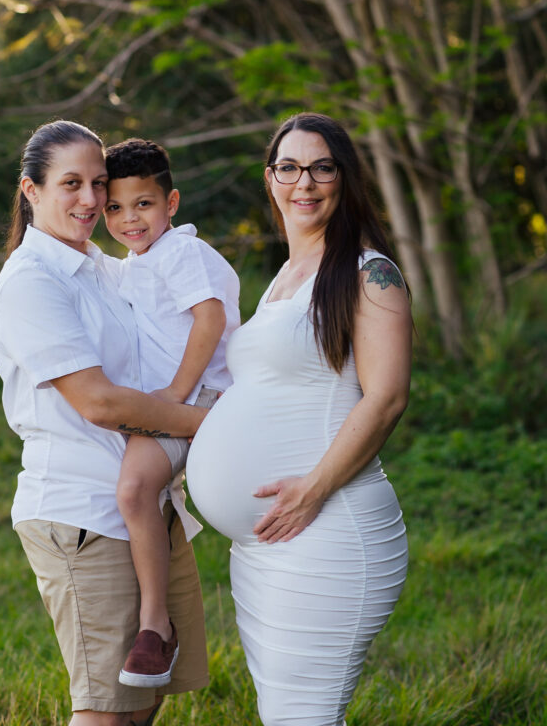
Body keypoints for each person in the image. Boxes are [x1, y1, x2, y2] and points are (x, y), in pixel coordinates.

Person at [186, 111, 412, 726]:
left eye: (321, 167)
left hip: (328, 529)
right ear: (270, 179)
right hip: (267, 546)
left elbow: (387, 397)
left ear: (344, 178)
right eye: (289, 167)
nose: (304, 182)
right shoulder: (285, 278)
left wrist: (314, 489)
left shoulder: (371, 273)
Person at [0, 120, 210, 726]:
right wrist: (208, 423)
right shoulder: (32, 282)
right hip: (82, 512)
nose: (90, 200)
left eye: (98, 183)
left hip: (147, 506)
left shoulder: (108, 270)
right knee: (107, 712)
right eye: (71, 184)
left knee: (142, 705)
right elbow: (100, 403)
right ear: (31, 191)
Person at [102, 138, 240, 688]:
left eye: (144, 203)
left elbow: (208, 321)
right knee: (139, 492)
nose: (129, 218)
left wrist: (174, 400)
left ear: (172, 202)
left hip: (199, 396)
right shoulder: (137, 261)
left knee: (134, 489)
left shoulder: (181, 252)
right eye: (114, 207)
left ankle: (156, 626)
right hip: (172, 399)